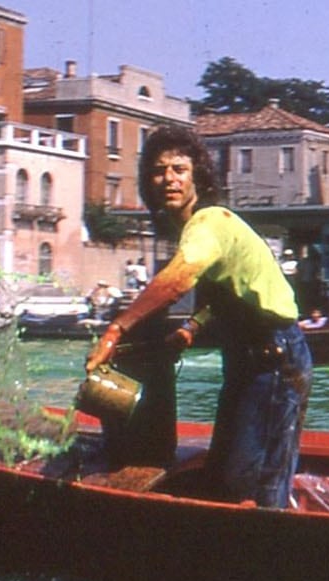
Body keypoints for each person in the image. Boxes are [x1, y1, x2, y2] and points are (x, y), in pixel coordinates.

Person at [84, 125, 312, 509]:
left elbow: (179, 277)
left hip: (274, 358)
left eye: (179, 169)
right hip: (248, 360)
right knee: (227, 471)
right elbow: (223, 291)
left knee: (253, 480)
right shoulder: (198, 227)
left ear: (197, 177)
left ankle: (270, 551)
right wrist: (193, 327)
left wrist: (116, 328)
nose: (168, 179)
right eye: (159, 171)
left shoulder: (209, 223)